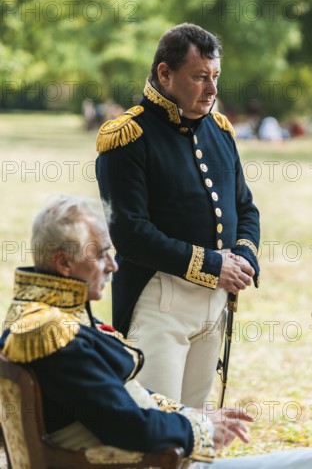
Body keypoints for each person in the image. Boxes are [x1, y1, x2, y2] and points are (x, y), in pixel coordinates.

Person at [0, 195, 312, 469]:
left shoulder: (35, 318)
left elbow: (111, 404)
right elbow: (127, 425)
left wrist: (190, 415)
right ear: (63, 263)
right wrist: (203, 429)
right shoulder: (56, 333)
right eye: (102, 254)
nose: (113, 265)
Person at [96, 23, 260, 408]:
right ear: (165, 74)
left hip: (215, 301)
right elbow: (131, 233)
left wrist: (244, 259)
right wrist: (211, 264)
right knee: (158, 423)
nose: (212, 89)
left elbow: (245, 208)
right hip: (158, 302)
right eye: (200, 77)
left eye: (215, 76)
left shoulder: (220, 131)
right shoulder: (128, 135)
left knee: (199, 422)